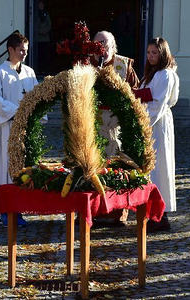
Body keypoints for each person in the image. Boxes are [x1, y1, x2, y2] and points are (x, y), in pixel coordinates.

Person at [0, 32, 38, 227]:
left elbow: (36, 96)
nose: (24, 54)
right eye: (21, 50)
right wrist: (17, 112)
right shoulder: (0, 73)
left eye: (26, 50)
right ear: (11, 50)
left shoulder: (29, 73)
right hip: (8, 126)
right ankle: (6, 210)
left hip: (25, 128)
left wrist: (33, 115)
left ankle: (19, 208)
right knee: (7, 165)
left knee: (23, 166)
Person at [91, 31, 139, 226]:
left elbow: (134, 93)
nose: (102, 47)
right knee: (92, 163)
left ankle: (116, 212)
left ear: (113, 45)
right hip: (92, 123)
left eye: (105, 43)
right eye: (97, 43)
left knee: (116, 164)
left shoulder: (123, 65)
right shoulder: (85, 65)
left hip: (115, 123)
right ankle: (92, 209)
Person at [139, 37, 179, 232]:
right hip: (151, 123)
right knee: (151, 168)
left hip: (158, 123)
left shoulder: (165, 74)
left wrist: (141, 122)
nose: (151, 56)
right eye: (148, 53)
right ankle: (152, 212)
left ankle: (160, 215)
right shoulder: (152, 74)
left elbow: (159, 104)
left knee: (159, 168)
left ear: (163, 53)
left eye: (155, 53)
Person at [36, 0, 52, 74]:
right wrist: (39, 31)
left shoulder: (46, 13)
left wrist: (45, 31)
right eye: (39, 4)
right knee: (39, 55)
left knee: (45, 55)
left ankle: (45, 70)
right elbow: (34, 24)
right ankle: (39, 70)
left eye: (42, 4)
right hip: (38, 39)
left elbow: (49, 25)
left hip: (45, 39)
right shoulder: (35, 14)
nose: (41, 6)